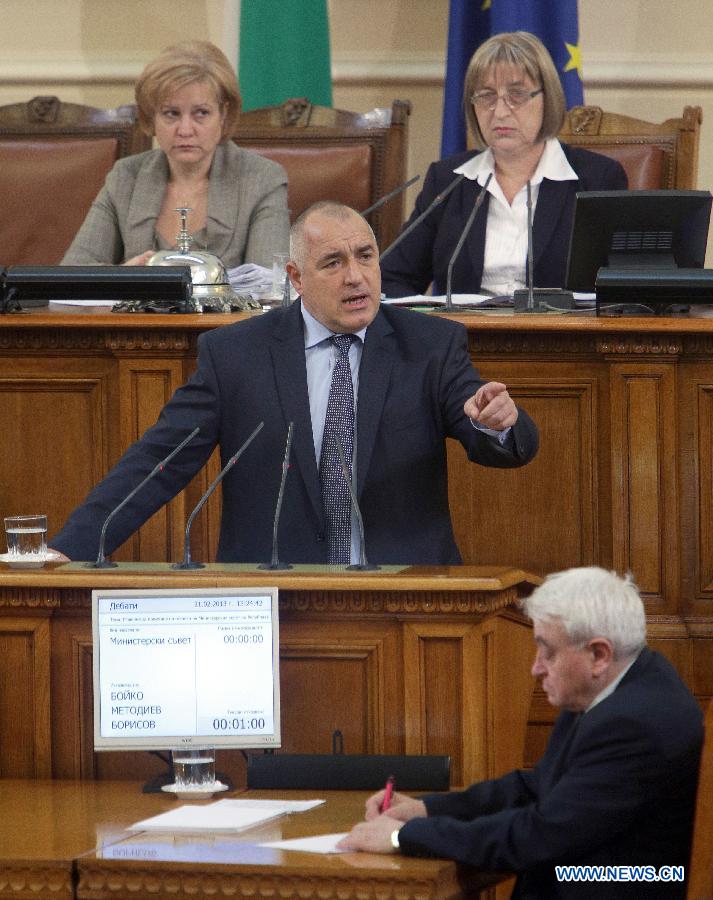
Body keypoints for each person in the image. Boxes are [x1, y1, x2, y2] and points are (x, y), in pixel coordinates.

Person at [50, 201, 538, 565]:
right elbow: (160, 461)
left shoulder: (431, 346)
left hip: (405, 591)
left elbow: (496, 440)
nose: (356, 277)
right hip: (274, 595)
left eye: (365, 256)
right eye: (333, 262)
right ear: (296, 277)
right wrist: (67, 552)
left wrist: (498, 423)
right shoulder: (236, 355)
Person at [338, 566, 704, 899]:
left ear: (599, 654)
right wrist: (424, 810)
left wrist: (401, 837)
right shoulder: (613, 685)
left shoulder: (633, 723)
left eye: (548, 652)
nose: (535, 668)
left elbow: (539, 835)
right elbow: (537, 787)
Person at [380, 32, 628, 298]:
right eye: (486, 96)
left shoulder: (596, 180)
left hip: (563, 336)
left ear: (548, 99)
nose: (499, 112)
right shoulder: (448, 181)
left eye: (517, 95)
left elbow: (623, 287)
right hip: (464, 336)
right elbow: (392, 280)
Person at [61, 40, 289, 268]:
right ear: (151, 117)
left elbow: (268, 285)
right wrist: (122, 279)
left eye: (201, 113)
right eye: (171, 113)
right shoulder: (126, 177)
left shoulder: (262, 179)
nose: (185, 130)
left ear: (223, 114)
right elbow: (73, 273)